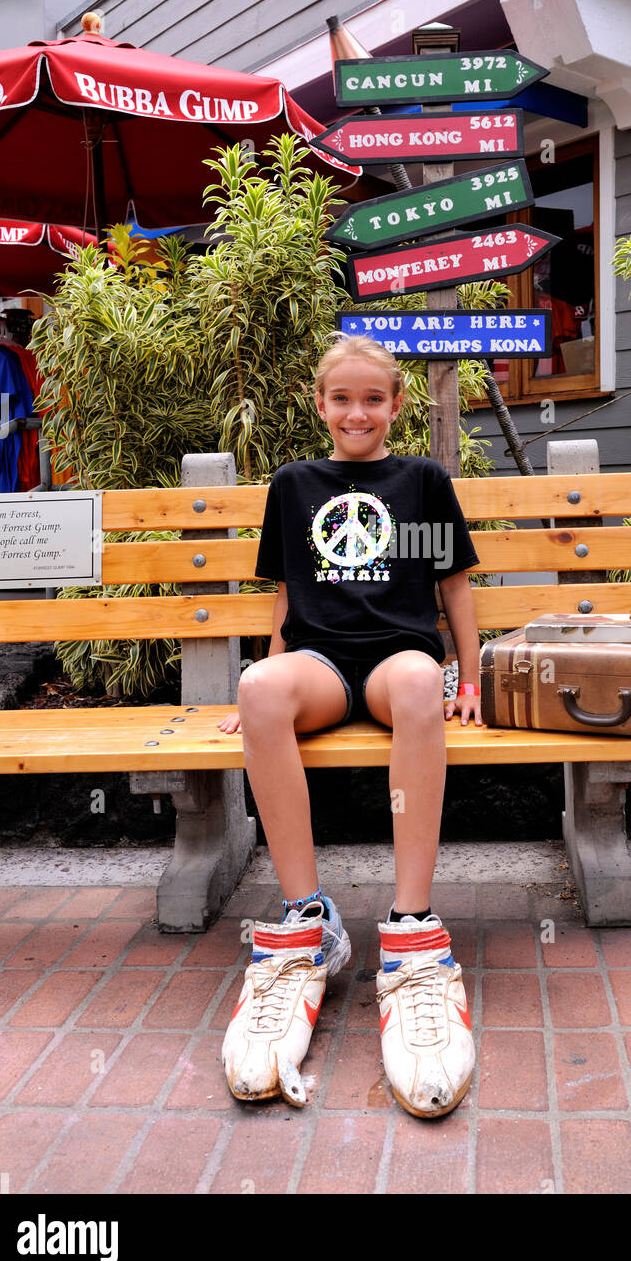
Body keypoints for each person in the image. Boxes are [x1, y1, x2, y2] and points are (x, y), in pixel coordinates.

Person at [217, 332, 483, 1118]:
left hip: (398, 655)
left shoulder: (422, 480)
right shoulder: (296, 484)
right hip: (323, 665)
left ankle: (409, 923)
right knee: (261, 686)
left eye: (373, 398)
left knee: (414, 681)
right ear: (320, 403)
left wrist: (466, 671)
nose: (357, 411)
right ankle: (307, 922)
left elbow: (456, 588)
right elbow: (284, 599)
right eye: (342, 398)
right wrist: (264, 675)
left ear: (397, 405)